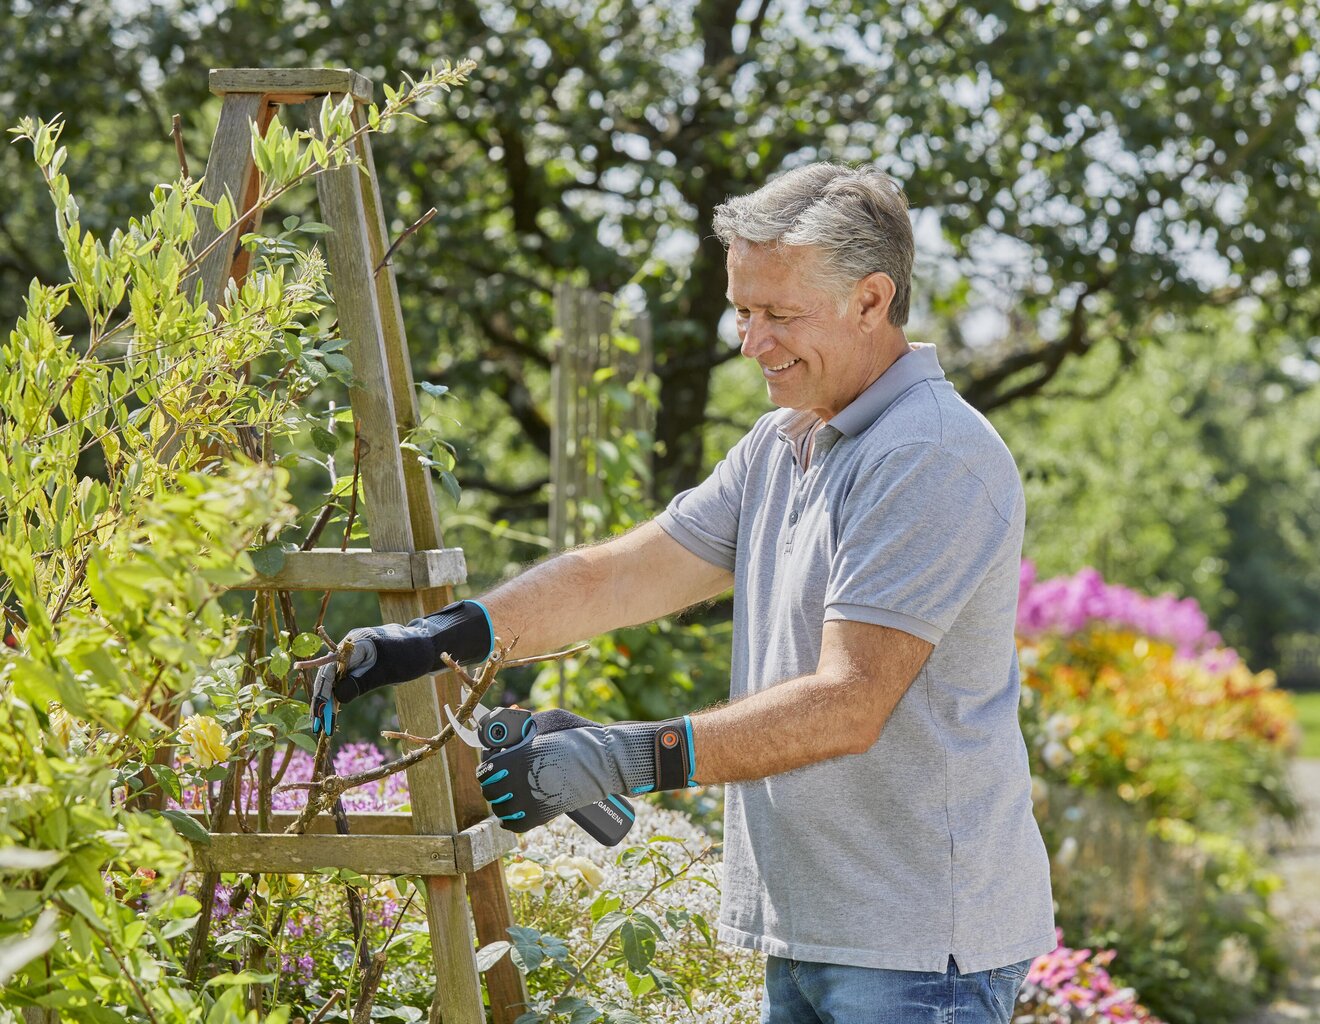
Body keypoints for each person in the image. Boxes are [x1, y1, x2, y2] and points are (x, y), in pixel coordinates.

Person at [316, 163, 1055, 1024]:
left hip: (919, 951)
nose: (751, 341)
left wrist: (619, 757)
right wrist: (442, 636)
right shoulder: (785, 442)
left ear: (871, 299)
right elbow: (619, 575)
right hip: (817, 932)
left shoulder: (926, 454)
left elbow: (849, 703)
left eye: (781, 315)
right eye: (743, 311)